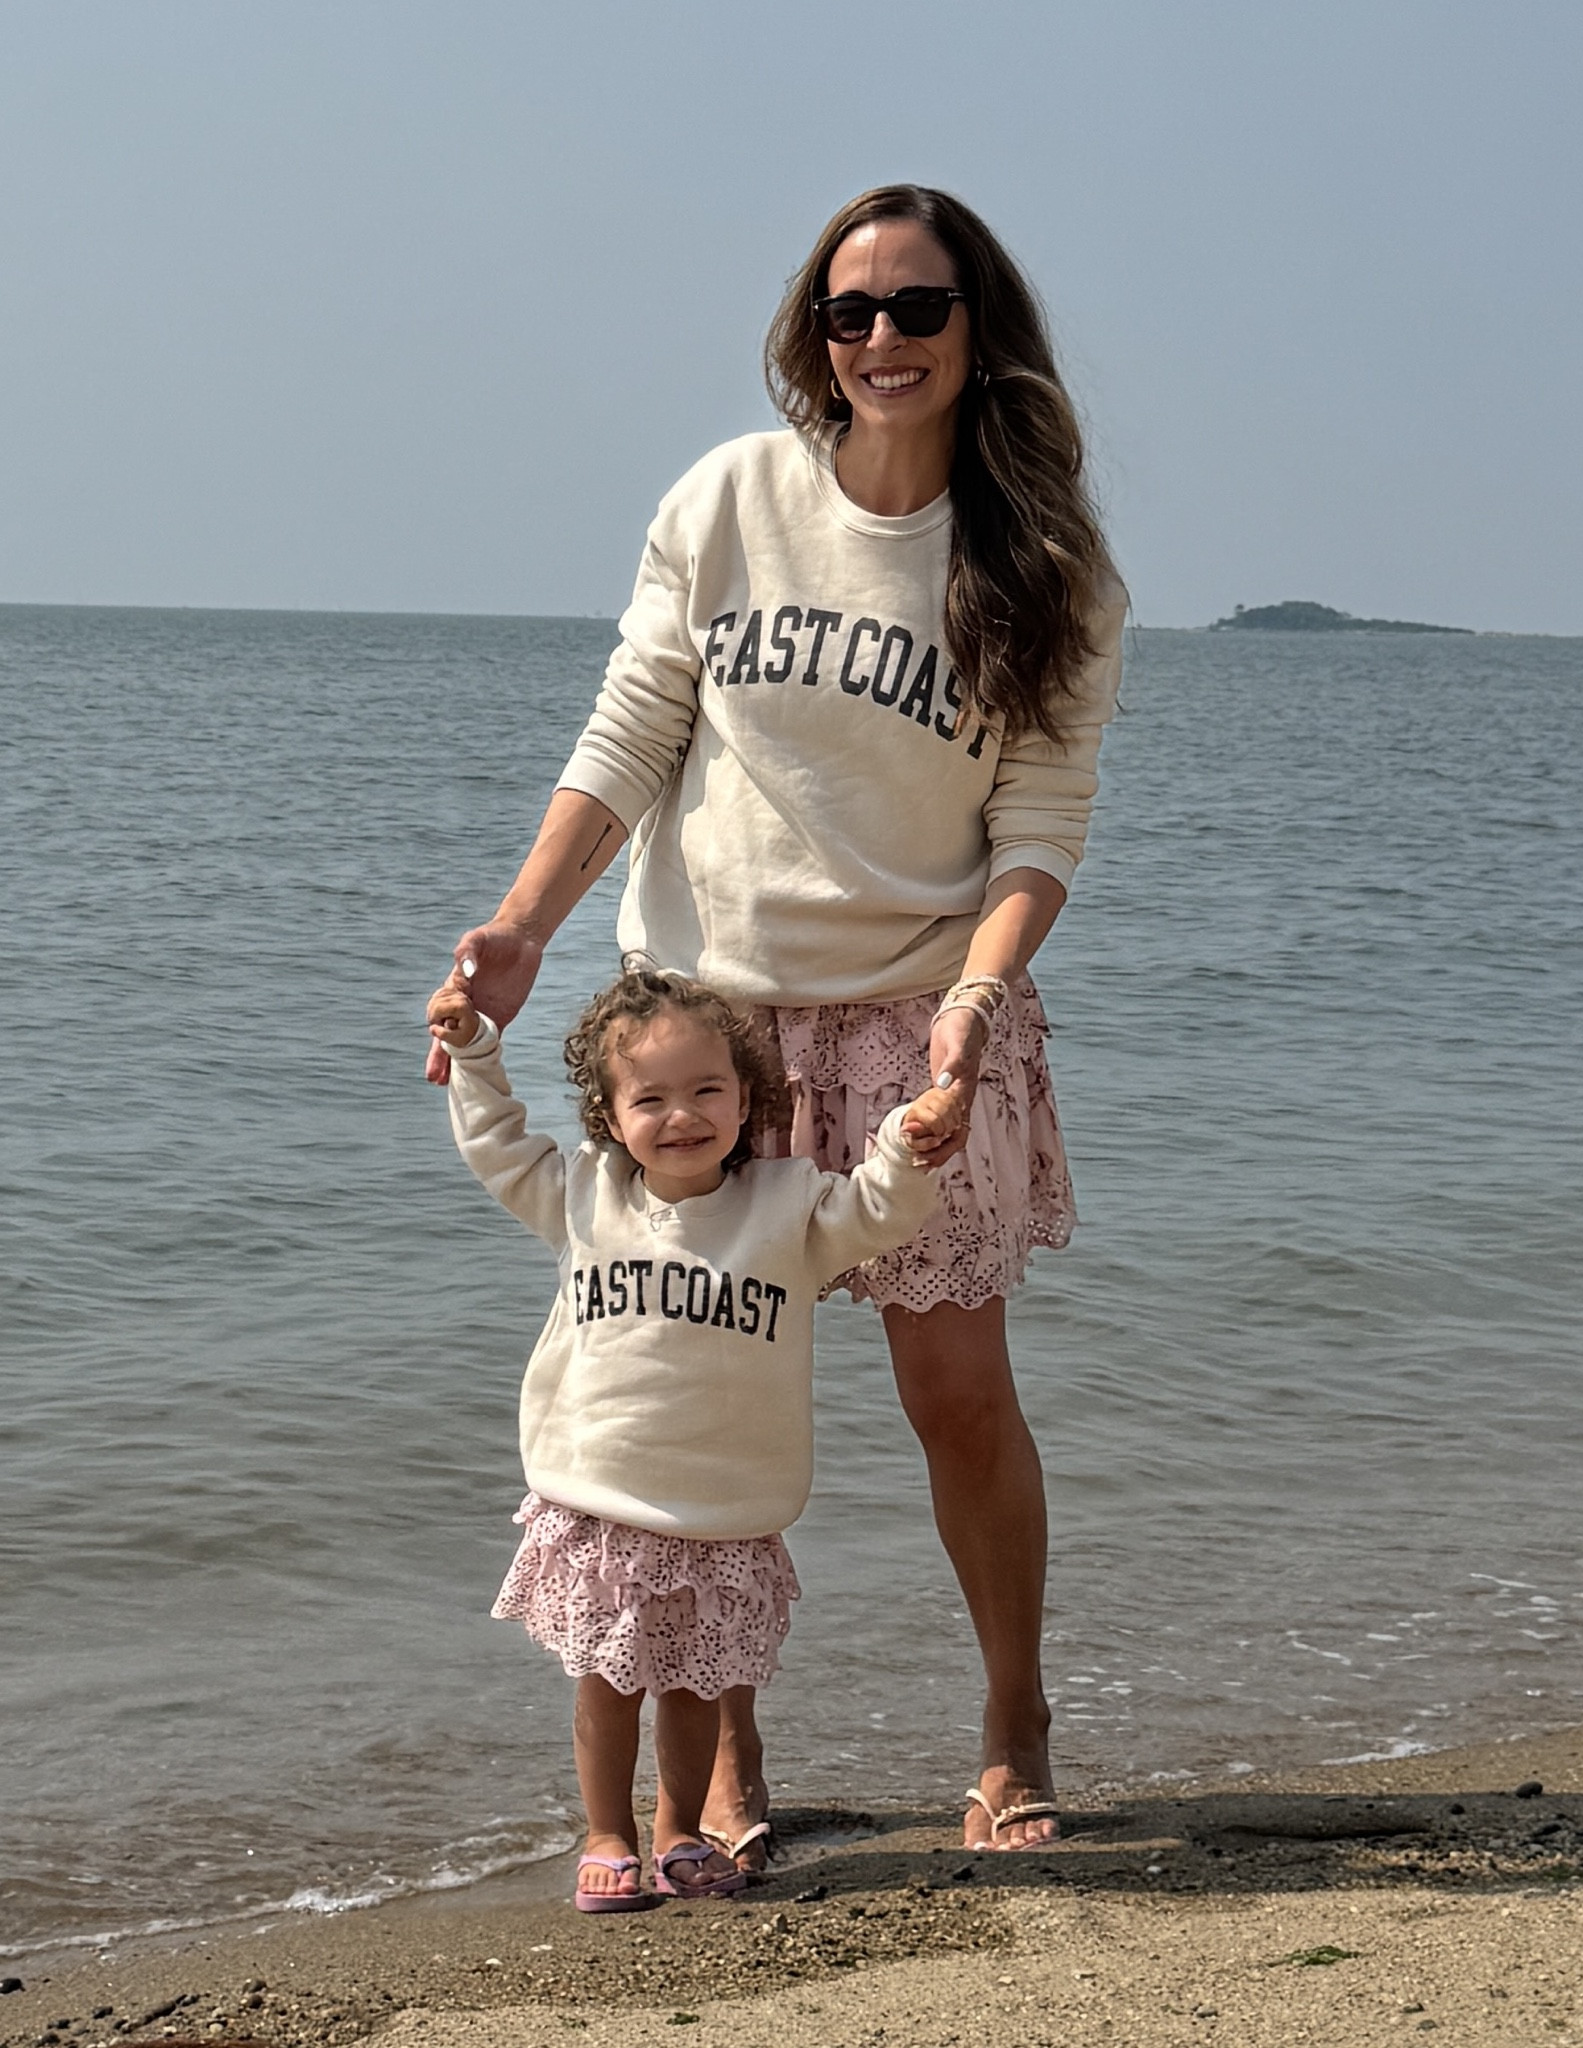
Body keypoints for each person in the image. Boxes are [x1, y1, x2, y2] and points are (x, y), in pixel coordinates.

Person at [426, 183, 1125, 1857]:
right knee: (692, 1377)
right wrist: (522, 928)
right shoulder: (729, 499)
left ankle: (1012, 1715)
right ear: (812, 336)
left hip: (917, 1020)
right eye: (846, 310)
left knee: (955, 1390)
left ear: (980, 332)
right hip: (712, 1023)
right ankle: (718, 1763)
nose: (878, 338)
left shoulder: (1040, 564)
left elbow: (1040, 825)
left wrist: (972, 999)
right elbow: (632, 729)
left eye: (915, 308)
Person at [429, 961, 953, 1909]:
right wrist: (474, 1053)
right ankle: (606, 1833)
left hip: (723, 1506)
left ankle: (677, 1831)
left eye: (707, 1089)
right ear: (609, 1114)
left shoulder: (789, 1206)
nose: (682, 1116)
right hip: (601, 1497)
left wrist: (910, 1149)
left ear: (748, 1096)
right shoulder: (584, 1195)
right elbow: (499, 1146)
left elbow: (878, 1212)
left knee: (695, 1687)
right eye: (651, 1098)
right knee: (607, 1683)